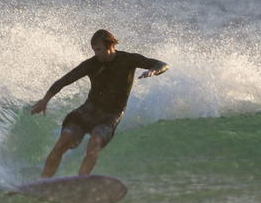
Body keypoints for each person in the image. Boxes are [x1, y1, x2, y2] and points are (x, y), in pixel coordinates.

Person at [30, 29, 168, 178]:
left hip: (111, 115)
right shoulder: (91, 64)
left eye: (99, 49)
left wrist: (153, 71)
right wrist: (45, 100)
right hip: (88, 110)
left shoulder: (127, 59)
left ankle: (81, 182)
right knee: (61, 144)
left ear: (110, 46)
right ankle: (43, 181)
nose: (97, 54)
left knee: (93, 145)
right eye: (94, 50)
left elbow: (162, 64)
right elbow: (64, 80)